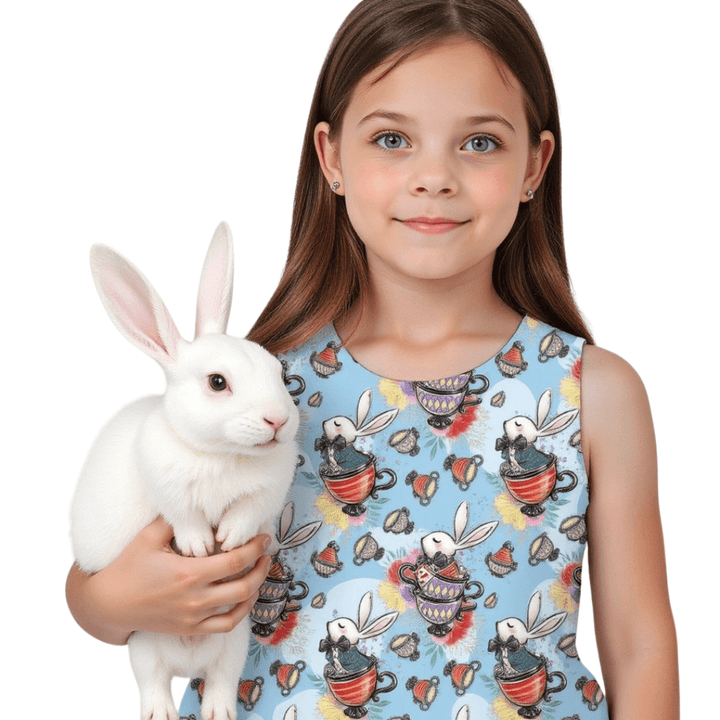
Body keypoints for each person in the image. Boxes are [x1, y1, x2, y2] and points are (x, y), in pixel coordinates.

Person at [66, 1, 680, 718]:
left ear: (534, 165)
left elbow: (640, 645)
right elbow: (101, 585)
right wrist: (110, 601)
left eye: (479, 143)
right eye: (392, 138)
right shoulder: (260, 392)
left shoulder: (593, 392)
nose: (434, 177)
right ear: (330, 158)